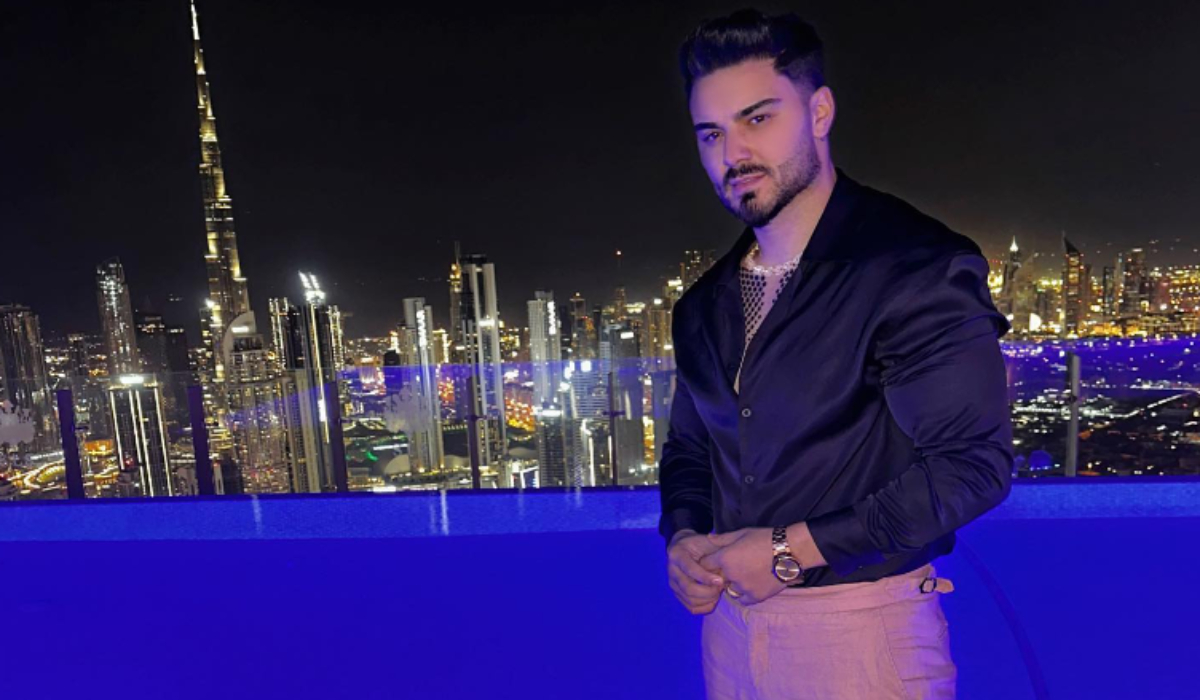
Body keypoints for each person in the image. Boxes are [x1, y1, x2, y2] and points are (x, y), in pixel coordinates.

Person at [658, 9, 1014, 699]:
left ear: (819, 111)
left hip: (860, 634)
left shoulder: (912, 266)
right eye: (712, 133)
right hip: (728, 630)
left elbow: (972, 467)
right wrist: (684, 538)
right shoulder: (702, 304)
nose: (733, 152)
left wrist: (789, 551)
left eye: (758, 118)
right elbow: (690, 451)